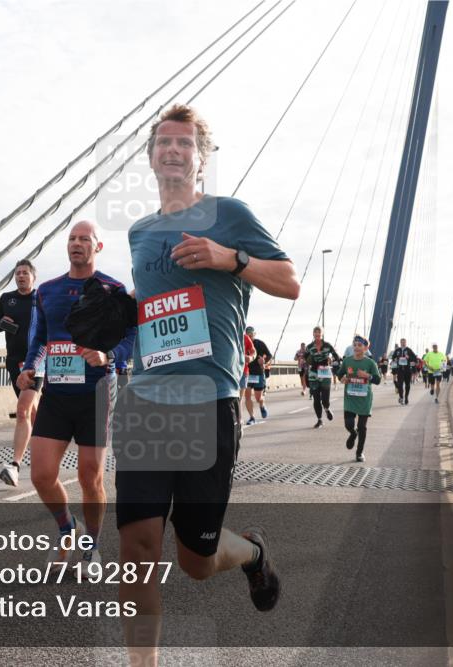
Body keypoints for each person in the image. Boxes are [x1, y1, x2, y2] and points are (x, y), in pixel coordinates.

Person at [119, 104, 300, 664]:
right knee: (137, 548)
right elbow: (152, 310)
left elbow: (290, 281)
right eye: (163, 143)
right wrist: (116, 315)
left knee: (195, 561)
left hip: (210, 402)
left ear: (201, 159)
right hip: (147, 399)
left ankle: (249, 553)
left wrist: (231, 257)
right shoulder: (138, 232)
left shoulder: (230, 214)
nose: (173, 151)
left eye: (185, 144)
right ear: (151, 158)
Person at [18, 221, 135, 569]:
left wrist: (108, 356)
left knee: (90, 476)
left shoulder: (114, 290)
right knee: (40, 474)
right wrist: (30, 367)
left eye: (85, 239)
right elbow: (39, 340)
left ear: (97, 247)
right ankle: (67, 530)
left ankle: (92, 547)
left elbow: (131, 335)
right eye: (71, 238)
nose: (77, 243)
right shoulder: (48, 291)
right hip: (56, 393)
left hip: (96, 394)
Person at [0, 259, 42, 487]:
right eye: (17, 273)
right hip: (14, 362)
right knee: (31, 413)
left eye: (25, 273)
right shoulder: (6, 299)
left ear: (33, 277)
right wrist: (3, 322)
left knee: (22, 411)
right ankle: (47, 447)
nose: (20, 276)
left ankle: (15, 466)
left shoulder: (40, 299)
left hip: (36, 362)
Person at [335, 335, 382, 463]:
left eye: (359, 345)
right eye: (354, 345)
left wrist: (367, 375)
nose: (356, 347)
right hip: (350, 398)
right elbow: (339, 374)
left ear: (366, 348)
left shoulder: (370, 363)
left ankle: (359, 452)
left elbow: (378, 380)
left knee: (362, 426)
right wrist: (342, 379)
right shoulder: (347, 361)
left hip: (364, 399)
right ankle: (352, 433)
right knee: (349, 424)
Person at [305, 326, 340, 428]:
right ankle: (319, 420)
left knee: (325, 398)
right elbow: (305, 358)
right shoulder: (310, 346)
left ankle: (327, 408)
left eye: (319, 332)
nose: (317, 334)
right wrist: (307, 360)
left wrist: (336, 360)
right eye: (315, 332)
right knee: (316, 398)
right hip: (314, 373)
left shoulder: (327, 345)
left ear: (322, 334)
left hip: (325, 372)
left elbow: (335, 354)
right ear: (313, 334)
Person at [245, 327, 271, 424]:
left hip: (258, 373)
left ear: (254, 334)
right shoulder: (243, 343)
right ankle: (252, 418)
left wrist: (264, 361)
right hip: (247, 373)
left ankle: (262, 405)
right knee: (247, 397)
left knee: (258, 398)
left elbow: (269, 355)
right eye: (248, 334)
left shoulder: (259, 343)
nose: (250, 336)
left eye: (251, 334)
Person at [390, 338, 419, 406]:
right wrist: (396, 358)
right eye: (402, 342)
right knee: (400, 384)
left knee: (407, 385)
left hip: (408, 369)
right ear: (400, 343)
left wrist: (408, 357)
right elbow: (393, 357)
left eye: (404, 342)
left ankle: (406, 397)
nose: (403, 343)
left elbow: (414, 358)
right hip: (400, 369)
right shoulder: (397, 350)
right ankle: (401, 397)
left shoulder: (409, 350)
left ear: (406, 342)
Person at [240, 330, 257, 424]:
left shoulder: (245, 338)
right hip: (228, 372)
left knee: (239, 397)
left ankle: (239, 421)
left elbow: (254, 351)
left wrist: (250, 357)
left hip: (243, 371)